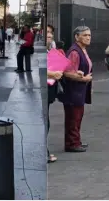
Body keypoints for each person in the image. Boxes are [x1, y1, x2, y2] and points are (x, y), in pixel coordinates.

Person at [60, 26, 93, 152]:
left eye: (89, 35)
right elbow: (67, 72)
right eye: (85, 35)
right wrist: (83, 79)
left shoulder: (82, 50)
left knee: (77, 116)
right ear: (77, 37)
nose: (88, 37)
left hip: (80, 90)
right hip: (73, 90)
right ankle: (72, 143)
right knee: (73, 117)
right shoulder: (74, 52)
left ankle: (75, 141)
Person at [46, 31, 61, 163]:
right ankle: (45, 153)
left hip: (50, 89)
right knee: (46, 122)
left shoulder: (51, 52)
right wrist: (53, 74)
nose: (49, 39)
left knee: (46, 121)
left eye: (51, 37)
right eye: (47, 37)